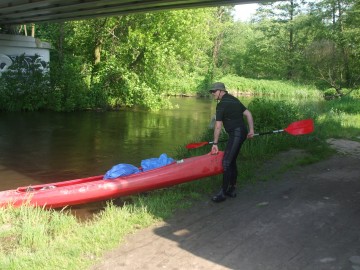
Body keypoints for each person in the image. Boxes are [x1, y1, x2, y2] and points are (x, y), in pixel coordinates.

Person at [209, 82, 254, 202]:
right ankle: (232, 189)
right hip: (242, 132)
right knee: (232, 160)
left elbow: (218, 126)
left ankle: (223, 193)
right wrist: (251, 130)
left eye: (214, 91)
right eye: (212, 92)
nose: (213, 94)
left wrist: (215, 144)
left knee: (226, 162)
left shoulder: (221, 105)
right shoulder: (234, 100)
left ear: (220, 91)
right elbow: (248, 114)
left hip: (236, 134)